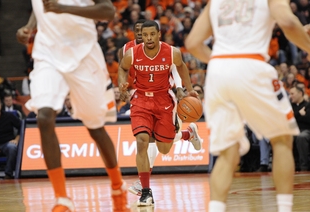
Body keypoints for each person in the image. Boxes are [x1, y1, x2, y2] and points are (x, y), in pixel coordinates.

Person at [185, 0, 310, 211]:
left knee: (227, 152)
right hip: (252, 65)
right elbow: (288, 22)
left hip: (218, 71)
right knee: (281, 139)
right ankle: (285, 208)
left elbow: (192, 43)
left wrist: (221, 61)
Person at [16, 1, 129, 211]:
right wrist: (30, 27)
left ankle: (117, 186)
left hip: (84, 55)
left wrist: (63, 8)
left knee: (95, 129)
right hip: (47, 55)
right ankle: (62, 199)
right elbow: (40, 7)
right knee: (44, 116)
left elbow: (107, 11)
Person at [118, 20, 201, 206]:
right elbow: (122, 68)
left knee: (164, 148)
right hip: (140, 100)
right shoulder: (132, 53)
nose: (147, 38)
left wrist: (188, 89)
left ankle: (187, 134)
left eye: (151, 34)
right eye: (144, 34)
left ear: (158, 35)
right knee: (142, 141)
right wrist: (121, 85)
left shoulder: (172, 52)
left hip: (163, 100)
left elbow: (181, 67)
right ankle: (146, 192)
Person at [0, 97, 21, 179]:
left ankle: (8, 174)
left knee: (12, 147)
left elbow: (22, 127)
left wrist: (16, 139)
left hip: (7, 144)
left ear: (1, 105)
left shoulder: (9, 116)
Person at [290, 86, 310, 171]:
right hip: (293, 130)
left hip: (306, 130)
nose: (290, 96)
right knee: (284, 137)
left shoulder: (308, 105)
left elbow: (308, 119)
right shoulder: (289, 106)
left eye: (292, 94)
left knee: (302, 137)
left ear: (300, 93)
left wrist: (295, 117)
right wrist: (299, 114)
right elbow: (286, 120)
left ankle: (304, 166)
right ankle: (289, 166)